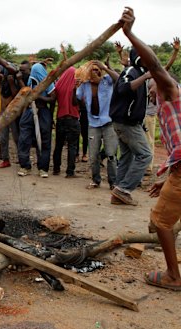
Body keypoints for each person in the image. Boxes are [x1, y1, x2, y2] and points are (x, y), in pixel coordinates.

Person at [119, 7, 181, 291]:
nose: (151, 91)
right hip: (177, 170)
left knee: (160, 221)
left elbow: (155, 65)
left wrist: (130, 33)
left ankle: (173, 277)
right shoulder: (170, 101)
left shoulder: (170, 91)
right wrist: (165, 176)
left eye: (152, 85)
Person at [109, 38, 153, 206]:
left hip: (127, 122)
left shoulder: (140, 72)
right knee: (145, 155)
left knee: (127, 157)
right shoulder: (131, 71)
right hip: (126, 123)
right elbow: (122, 88)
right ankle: (124, 189)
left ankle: (118, 193)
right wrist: (145, 77)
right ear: (139, 58)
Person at [77, 60, 119, 191]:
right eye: (92, 70)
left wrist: (105, 67)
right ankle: (96, 180)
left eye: (97, 70)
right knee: (93, 155)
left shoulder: (107, 80)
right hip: (93, 123)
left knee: (111, 154)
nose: (95, 72)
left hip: (109, 123)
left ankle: (113, 182)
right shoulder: (85, 85)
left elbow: (118, 79)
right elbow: (77, 99)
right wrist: (76, 85)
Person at [144, 37, 179, 175]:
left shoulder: (157, 76)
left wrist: (175, 52)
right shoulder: (142, 74)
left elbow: (167, 67)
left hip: (150, 113)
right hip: (145, 113)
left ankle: (148, 167)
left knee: (150, 140)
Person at [17, 62, 56, 177]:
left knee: (44, 140)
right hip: (29, 111)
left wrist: (38, 97)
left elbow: (53, 98)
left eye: (35, 71)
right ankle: (24, 166)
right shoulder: (30, 82)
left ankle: (43, 168)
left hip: (43, 112)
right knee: (24, 139)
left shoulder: (48, 83)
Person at [52, 67, 80, 177]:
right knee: (72, 146)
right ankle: (70, 171)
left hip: (60, 118)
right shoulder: (76, 86)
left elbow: (54, 100)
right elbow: (75, 103)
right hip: (72, 118)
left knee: (58, 145)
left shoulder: (58, 85)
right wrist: (75, 90)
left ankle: (56, 169)